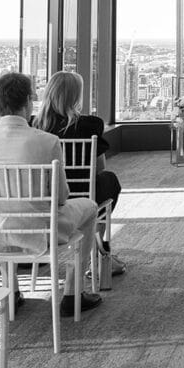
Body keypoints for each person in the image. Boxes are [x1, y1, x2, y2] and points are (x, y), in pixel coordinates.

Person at [0, 72, 101, 316]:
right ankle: (74, 292)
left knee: (3, 215)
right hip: (42, 230)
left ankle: (12, 291)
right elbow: (61, 197)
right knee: (90, 207)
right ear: (28, 100)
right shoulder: (47, 141)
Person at [33, 70, 125, 273]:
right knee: (109, 180)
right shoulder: (90, 124)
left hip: (44, 195)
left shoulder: (35, 125)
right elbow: (99, 168)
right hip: (83, 194)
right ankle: (98, 254)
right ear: (76, 96)